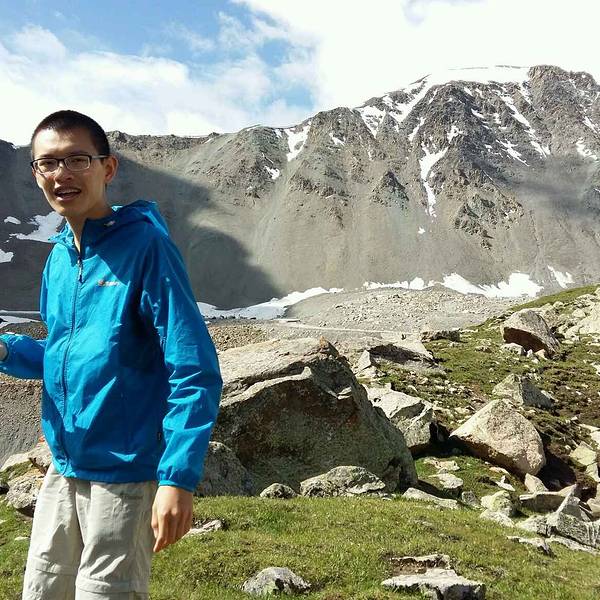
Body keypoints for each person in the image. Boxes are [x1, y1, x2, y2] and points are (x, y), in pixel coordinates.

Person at [0, 110, 223, 599]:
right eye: (47, 163)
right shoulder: (60, 258)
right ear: (36, 174)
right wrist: (5, 350)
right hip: (64, 467)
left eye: (77, 159)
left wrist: (177, 479)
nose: (62, 174)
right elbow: (66, 354)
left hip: (123, 475)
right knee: (41, 591)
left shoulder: (147, 247)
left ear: (108, 167)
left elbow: (194, 368)